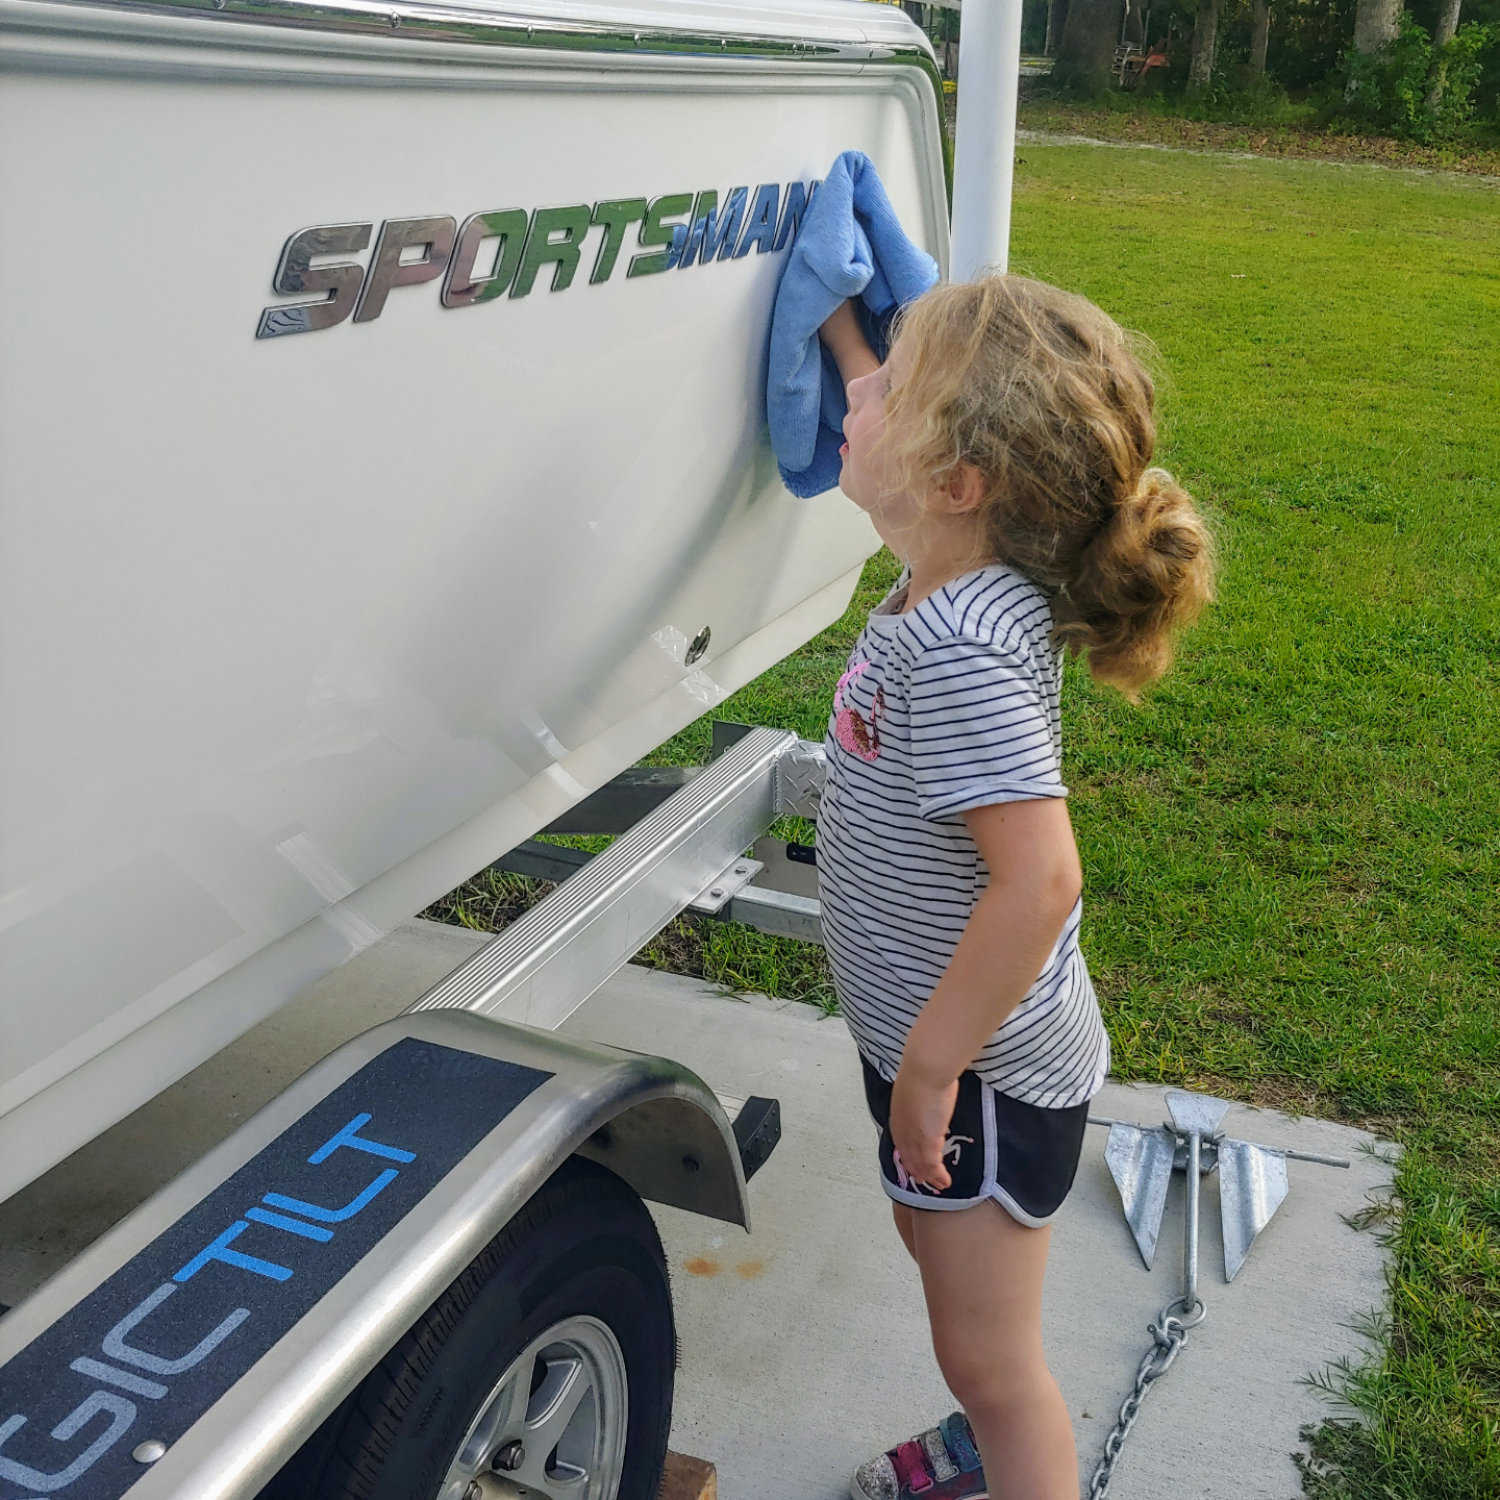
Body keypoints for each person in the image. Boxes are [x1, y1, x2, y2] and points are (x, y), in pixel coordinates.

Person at [815, 275, 1213, 1500]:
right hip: (933, 1045)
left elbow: (1038, 882)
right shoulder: (948, 568)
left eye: (891, 383)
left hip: (978, 1068)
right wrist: (836, 317)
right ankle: (986, 1447)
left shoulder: (963, 649)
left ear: (957, 483)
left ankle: (1009, 1453)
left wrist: (933, 1070)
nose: (861, 392)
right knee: (939, 1262)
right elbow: (875, 405)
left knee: (990, 1358)